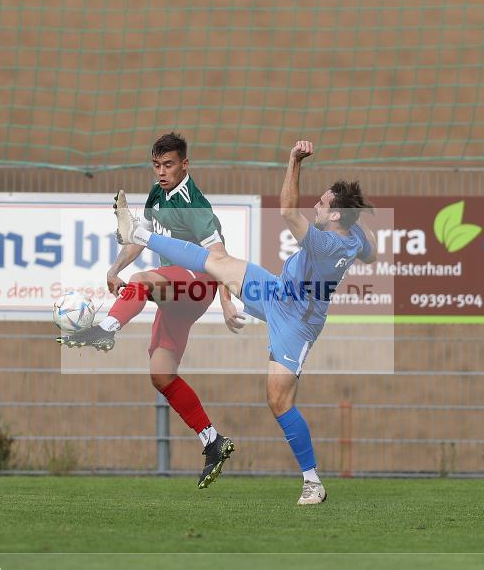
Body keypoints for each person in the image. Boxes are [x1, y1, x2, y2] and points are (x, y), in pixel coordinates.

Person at [112, 140, 377, 504]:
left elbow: (287, 211)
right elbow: (370, 249)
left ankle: (313, 483)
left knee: (278, 400)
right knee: (215, 262)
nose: (316, 205)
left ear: (334, 216)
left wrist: (293, 161)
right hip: (276, 290)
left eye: (322, 203)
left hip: (296, 323)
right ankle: (138, 234)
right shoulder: (352, 236)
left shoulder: (326, 246)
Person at [57, 132, 239, 489]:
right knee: (161, 374)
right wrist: (114, 269)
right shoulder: (157, 194)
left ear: (185, 164)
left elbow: (220, 256)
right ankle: (213, 441)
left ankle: (106, 328)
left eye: (169, 164)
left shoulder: (194, 204)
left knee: (144, 280)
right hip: (176, 298)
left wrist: (228, 302)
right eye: (156, 165)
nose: (161, 171)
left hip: (197, 285)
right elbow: (141, 238)